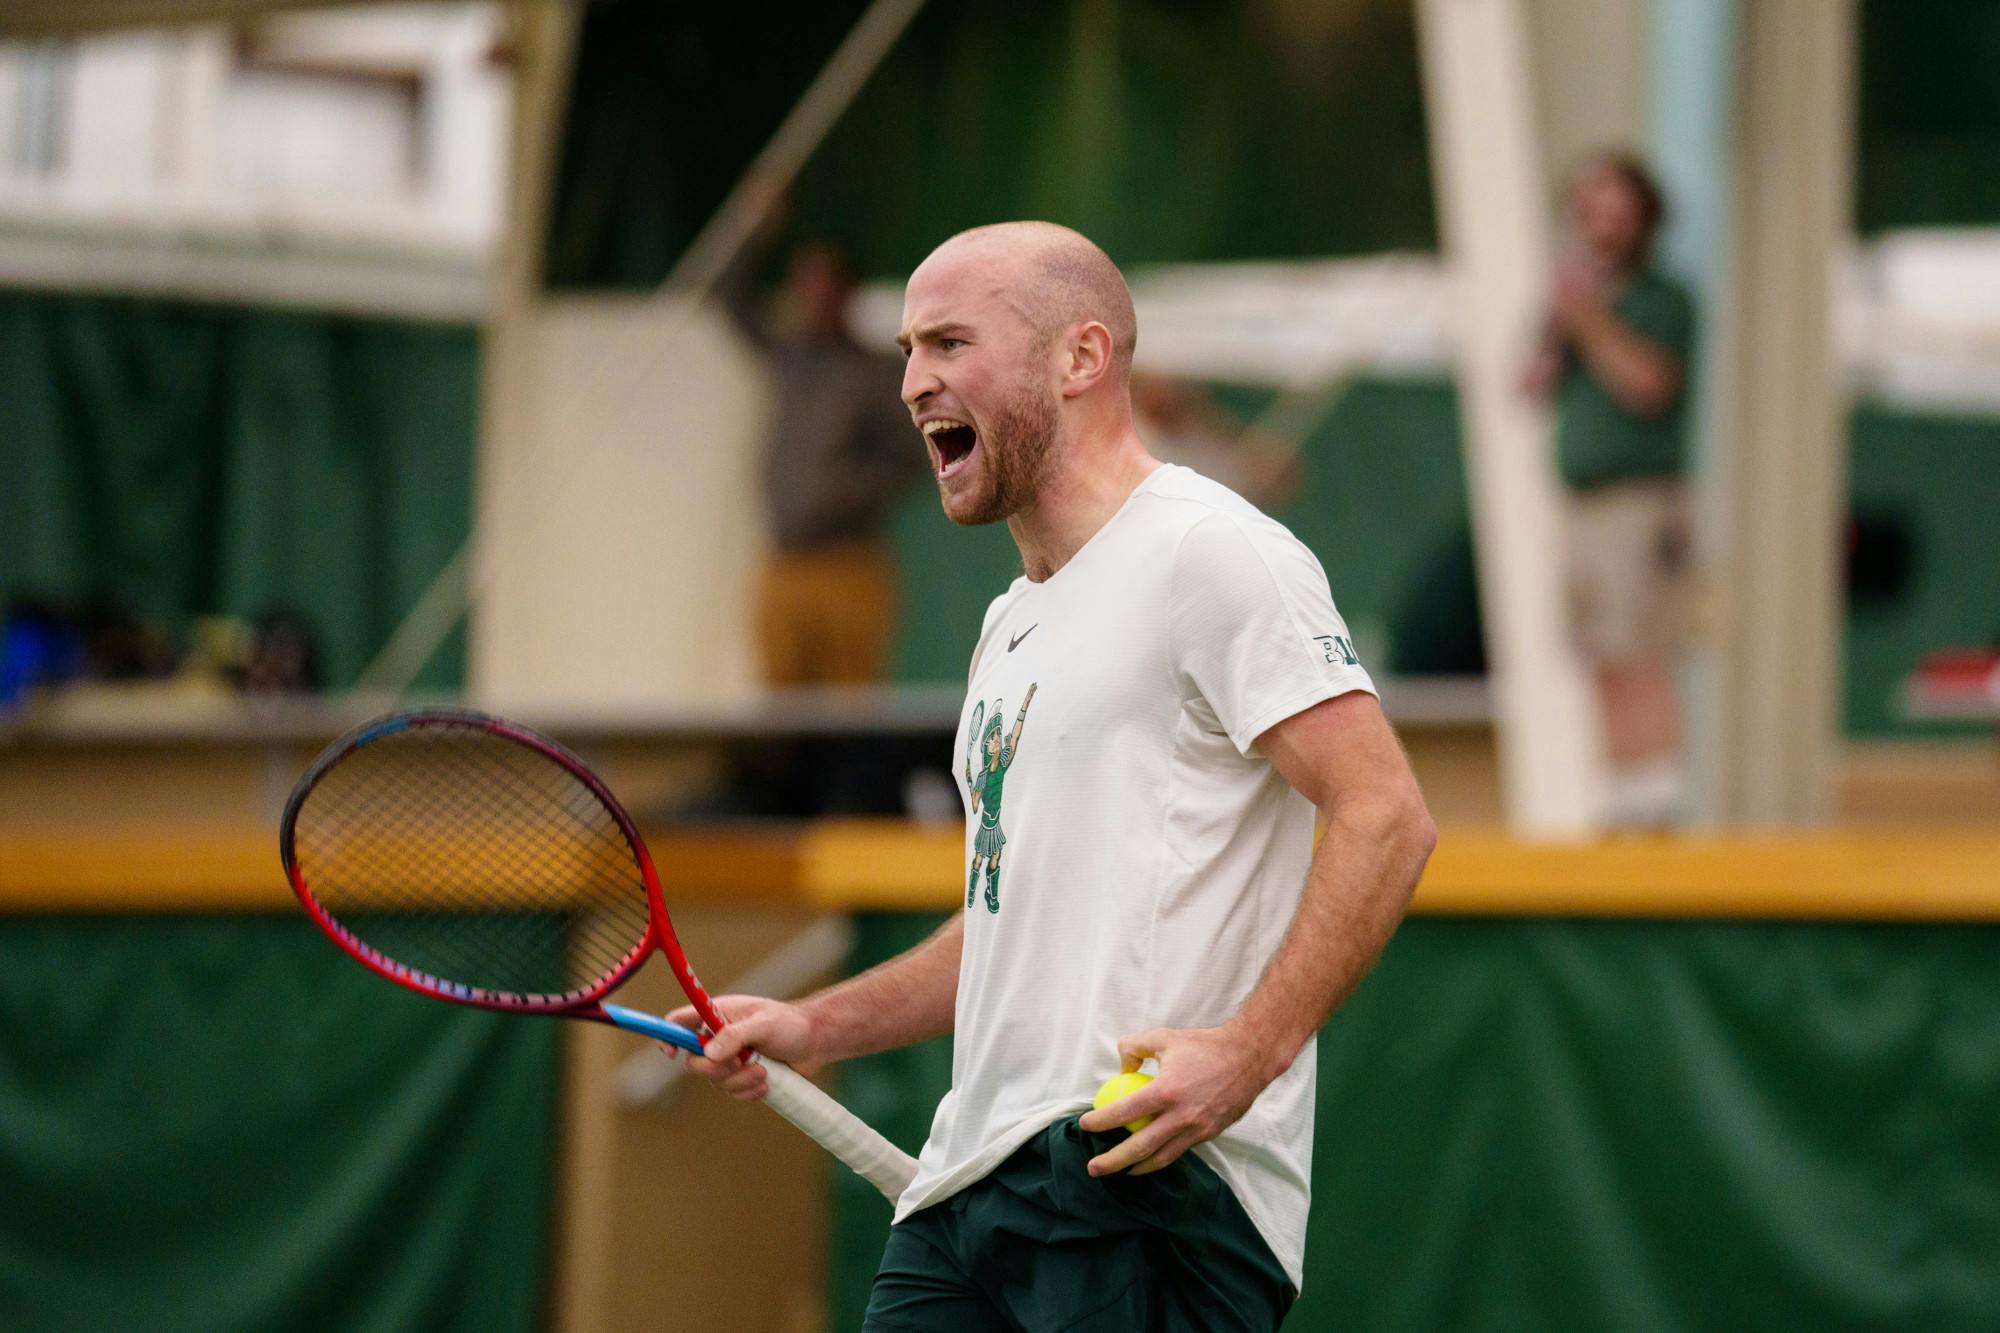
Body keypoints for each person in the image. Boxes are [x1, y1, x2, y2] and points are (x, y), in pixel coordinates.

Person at [671, 222, 1435, 1329]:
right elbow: (1004, 914)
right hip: (958, 1189)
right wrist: (815, 1025)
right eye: (903, 349)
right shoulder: (1006, 624)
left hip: (1144, 1178)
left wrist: (1243, 1056)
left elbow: (1386, 815)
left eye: (945, 341)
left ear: (1079, 359)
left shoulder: (1212, 552)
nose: (908, 382)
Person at [1522, 151, 1697, 826]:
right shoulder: (1580, 307)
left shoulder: (1663, 300)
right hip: (1581, 502)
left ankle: (1659, 793)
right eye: (1589, 208)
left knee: (1640, 644)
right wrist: (1558, 322)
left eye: (1615, 209)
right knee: (1596, 649)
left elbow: (1648, 385)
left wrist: (1590, 319)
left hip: (1639, 499)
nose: (1600, 224)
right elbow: (1529, 386)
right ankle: (1621, 790)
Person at [723, 220, 925, 687]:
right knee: (779, 708)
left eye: (823, 282)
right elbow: (729, 302)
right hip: (785, 561)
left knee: (850, 703)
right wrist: (754, 227)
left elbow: (913, 457)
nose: (812, 294)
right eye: (804, 282)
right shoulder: (787, 358)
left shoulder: (874, 373)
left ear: (846, 292)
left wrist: (847, 492)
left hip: (848, 563)